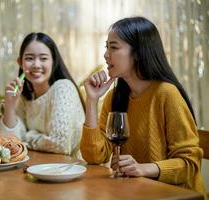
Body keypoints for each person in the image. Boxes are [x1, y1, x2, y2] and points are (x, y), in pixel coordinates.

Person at [80, 16, 206, 197]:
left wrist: (143, 169)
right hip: (135, 193)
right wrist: (92, 101)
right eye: (106, 47)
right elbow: (94, 157)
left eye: (113, 47)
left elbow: (190, 164)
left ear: (138, 52)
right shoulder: (115, 97)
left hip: (178, 196)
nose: (106, 54)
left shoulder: (166, 94)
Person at [0, 32, 85, 157]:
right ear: (20, 62)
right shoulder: (24, 97)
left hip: (72, 169)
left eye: (43, 58)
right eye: (29, 58)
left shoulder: (63, 88)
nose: (36, 65)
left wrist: (26, 137)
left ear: (53, 61)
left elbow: (61, 144)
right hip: (41, 167)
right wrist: (10, 105)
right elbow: (8, 144)